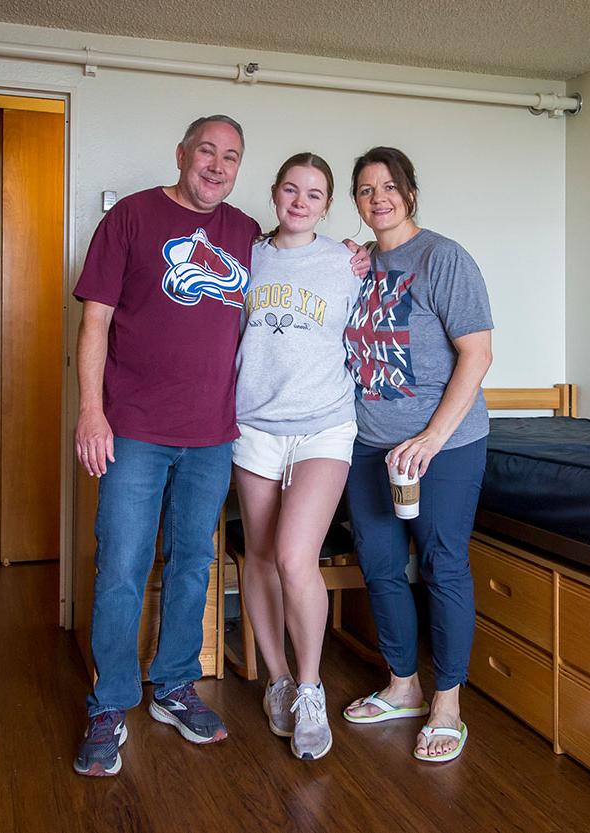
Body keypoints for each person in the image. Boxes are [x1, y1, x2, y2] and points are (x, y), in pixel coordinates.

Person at [71, 115, 261, 777]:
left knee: (192, 563)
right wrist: (92, 413)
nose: (216, 164)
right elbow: (94, 320)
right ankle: (111, 700)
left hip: (212, 434)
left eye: (230, 156)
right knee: (122, 564)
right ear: (181, 154)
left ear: (239, 167)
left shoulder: (246, 233)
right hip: (134, 430)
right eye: (206, 150)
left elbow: (294, 282)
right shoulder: (130, 218)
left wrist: (349, 254)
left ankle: (174, 683)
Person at [339, 147, 495, 764]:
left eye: (389, 186)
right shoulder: (356, 264)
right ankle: (403, 687)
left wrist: (430, 439)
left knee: (442, 564)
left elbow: (477, 355)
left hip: (445, 446)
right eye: (365, 189)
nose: (378, 198)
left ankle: (448, 703)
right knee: (379, 565)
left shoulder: (444, 258)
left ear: (409, 192)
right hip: (369, 446)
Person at [233, 153, 360, 761]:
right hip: (254, 425)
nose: (301, 201)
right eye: (291, 189)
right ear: (276, 193)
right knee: (258, 555)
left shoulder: (348, 262)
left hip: (323, 427)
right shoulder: (246, 255)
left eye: (314, 193)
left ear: (327, 205)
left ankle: (311, 689)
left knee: (292, 555)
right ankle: (278, 679)